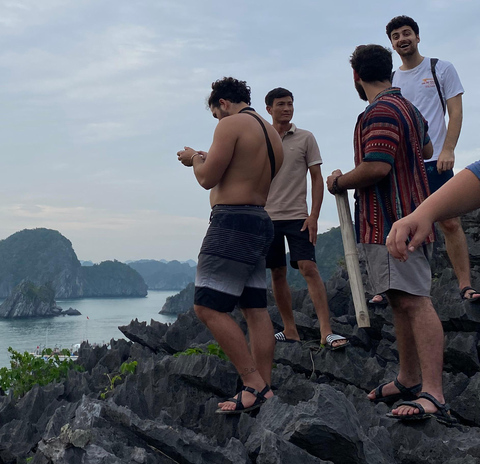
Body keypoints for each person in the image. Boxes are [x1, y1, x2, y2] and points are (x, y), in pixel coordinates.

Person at [326, 44, 453, 425]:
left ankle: (433, 392)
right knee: (400, 299)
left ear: (356, 76)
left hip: (392, 223)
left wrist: (339, 182)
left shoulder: (379, 111)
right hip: (412, 214)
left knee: (414, 301)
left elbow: (377, 167)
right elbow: (427, 148)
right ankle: (408, 378)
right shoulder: (409, 108)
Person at [178, 77, 283, 414]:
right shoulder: (272, 134)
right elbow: (242, 170)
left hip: (232, 223)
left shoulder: (230, 124)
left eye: (216, 114)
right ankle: (263, 388)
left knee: (207, 306)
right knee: (254, 308)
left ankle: (252, 383)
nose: (217, 120)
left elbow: (207, 178)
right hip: (260, 220)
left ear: (223, 103)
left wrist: (195, 159)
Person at [386, 15, 477, 303]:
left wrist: (448, 149)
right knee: (402, 224)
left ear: (417, 37)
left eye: (407, 33)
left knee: (449, 223)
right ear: (392, 44)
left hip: (437, 160)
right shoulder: (391, 80)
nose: (402, 39)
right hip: (404, 166)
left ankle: (465, 285)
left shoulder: (440, 68)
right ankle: (402, 290)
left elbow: (456, 112)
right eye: (396, 36)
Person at [263, 87, 347, 350]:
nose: (287, 108)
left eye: (290, 103)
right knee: (277, 272)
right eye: (281, 104)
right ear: (269, 109)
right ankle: (290, 330)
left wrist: (314, 216)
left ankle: (326, 331)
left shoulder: (305, 138)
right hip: (266, 217)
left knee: (309, 268)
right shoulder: (261, 138)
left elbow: (316, 178)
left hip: (298, 216)